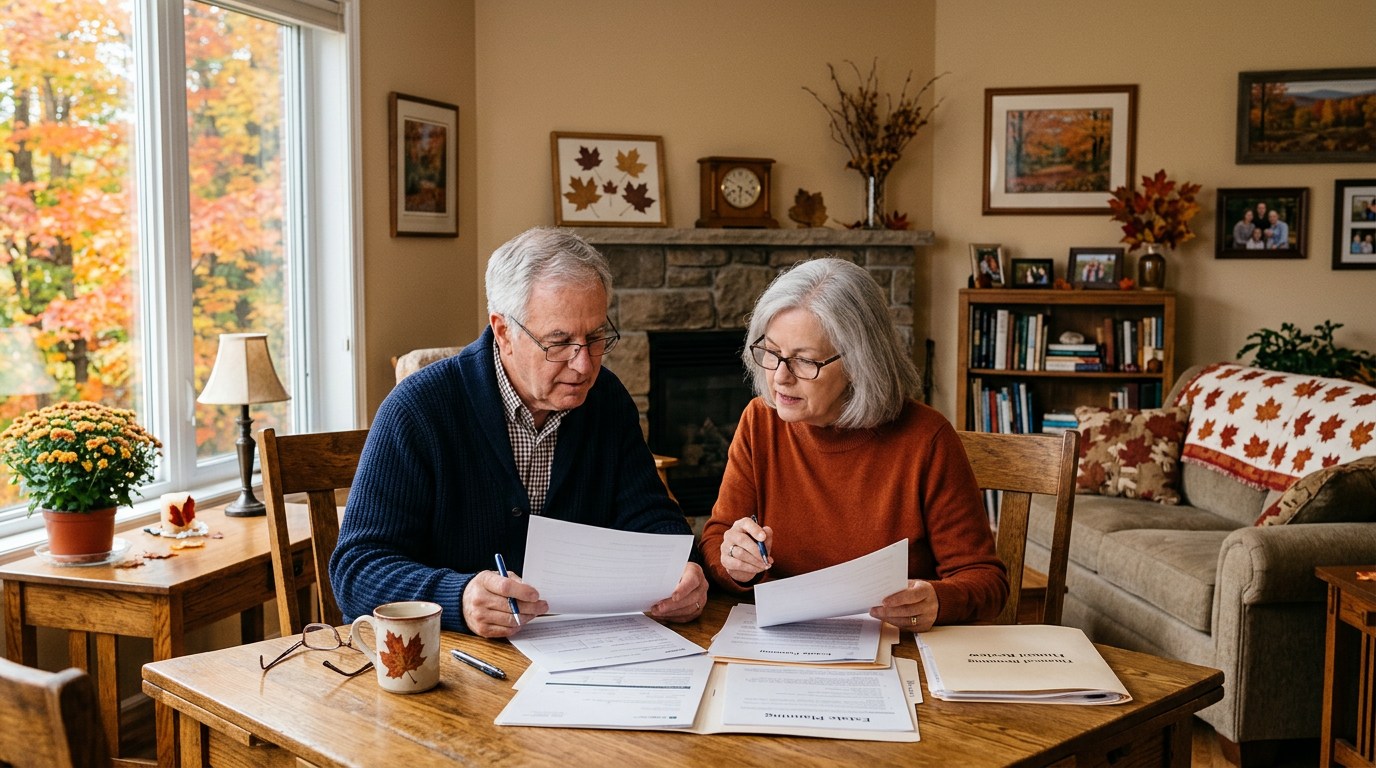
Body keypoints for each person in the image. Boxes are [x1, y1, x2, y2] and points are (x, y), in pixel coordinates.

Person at [332, 228, 706, 638]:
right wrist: (458, 598)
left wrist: (683, 570)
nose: (584, 365)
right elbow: (357, 569)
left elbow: (649, 516)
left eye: (596, 336)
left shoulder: (606, 399)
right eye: (559, 342)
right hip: (458, 666)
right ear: (503, 332)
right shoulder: (419, 409)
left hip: (583, 654)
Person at [700, 259, 1008, 632]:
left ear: (860, 363)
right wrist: (735, 562)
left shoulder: (927, 438)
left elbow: (985, 580)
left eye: (805, 361)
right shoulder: (759, 422)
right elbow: (717, 538)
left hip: (894, 650)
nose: (779, 377)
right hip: (782, 643)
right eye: (772, 352)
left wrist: (938, 601)